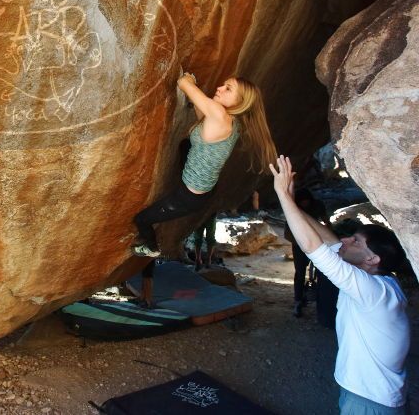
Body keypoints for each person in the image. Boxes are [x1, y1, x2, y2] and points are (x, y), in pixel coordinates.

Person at [270, 156, 410, 414]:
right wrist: (293, 204)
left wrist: (281, 194)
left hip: (370, 403)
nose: (346, 240)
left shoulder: (371, 291)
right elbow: (329, 241)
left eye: (355, 241)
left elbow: (313, 247)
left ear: (372, 258)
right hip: (374, 396)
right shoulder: (381, 279)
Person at [132, 73, 278, 256]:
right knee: (185, 145)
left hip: (189, 196)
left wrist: (189, 80)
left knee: (142, 219)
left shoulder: (218, 114)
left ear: (240, 101)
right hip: (206, 187)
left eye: (228, 89)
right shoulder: (231, 120)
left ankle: (150, 248)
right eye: (223, 84)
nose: (219, 88)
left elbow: (182, 82)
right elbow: (202, 115)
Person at [285, 188, 329, 317]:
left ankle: (316, 296)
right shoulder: (294, 210)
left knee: (320, 271)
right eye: (302, 202)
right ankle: (298, 301)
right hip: (299, 244)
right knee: (300, 272)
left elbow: (326, 220)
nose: (305, 204)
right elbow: (288, 234)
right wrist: (302, 242)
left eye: (307, 201)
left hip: (316, 241)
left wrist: (330, 233)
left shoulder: (317, 206)